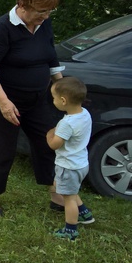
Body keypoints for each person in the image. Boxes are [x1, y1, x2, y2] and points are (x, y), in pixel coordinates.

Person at [0, 0, 65, 217]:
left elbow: (51, 58)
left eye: (50, 12)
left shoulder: (43, 24)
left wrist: (61, 87)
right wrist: (4, 103)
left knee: (48, 143)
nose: (46, 17)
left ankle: (56, 195)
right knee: (2, 149)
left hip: (37, 99)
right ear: (23, 5)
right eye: (41, 11)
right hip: (6, 100)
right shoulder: (2, 28)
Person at [46, 76, 94, 240]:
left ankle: (70, 230)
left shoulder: (67, 123)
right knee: (65, 188)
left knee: (69, 199)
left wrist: (49, 135)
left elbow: (54, 144)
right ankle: (84, 213)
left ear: (63, 101)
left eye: (54, 98)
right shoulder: (85, 114)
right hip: (81, 163)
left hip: (68, 166)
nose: (53, 101)